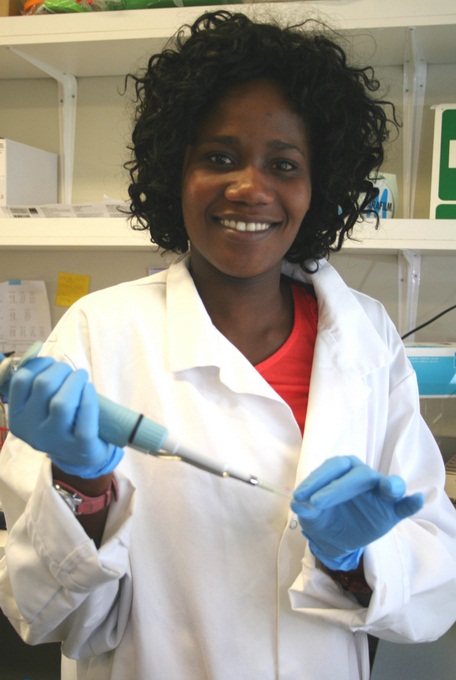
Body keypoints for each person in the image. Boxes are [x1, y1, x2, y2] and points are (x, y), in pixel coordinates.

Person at [0, 10, 455, 680]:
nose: (250, 186)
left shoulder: (366, 336)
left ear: (317, 187)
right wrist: (82, 482)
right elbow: (44, 614)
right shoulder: (100, 331)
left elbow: (436, 577)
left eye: (284, 163)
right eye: (219, 157)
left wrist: (351, 558)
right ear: (174, 171)